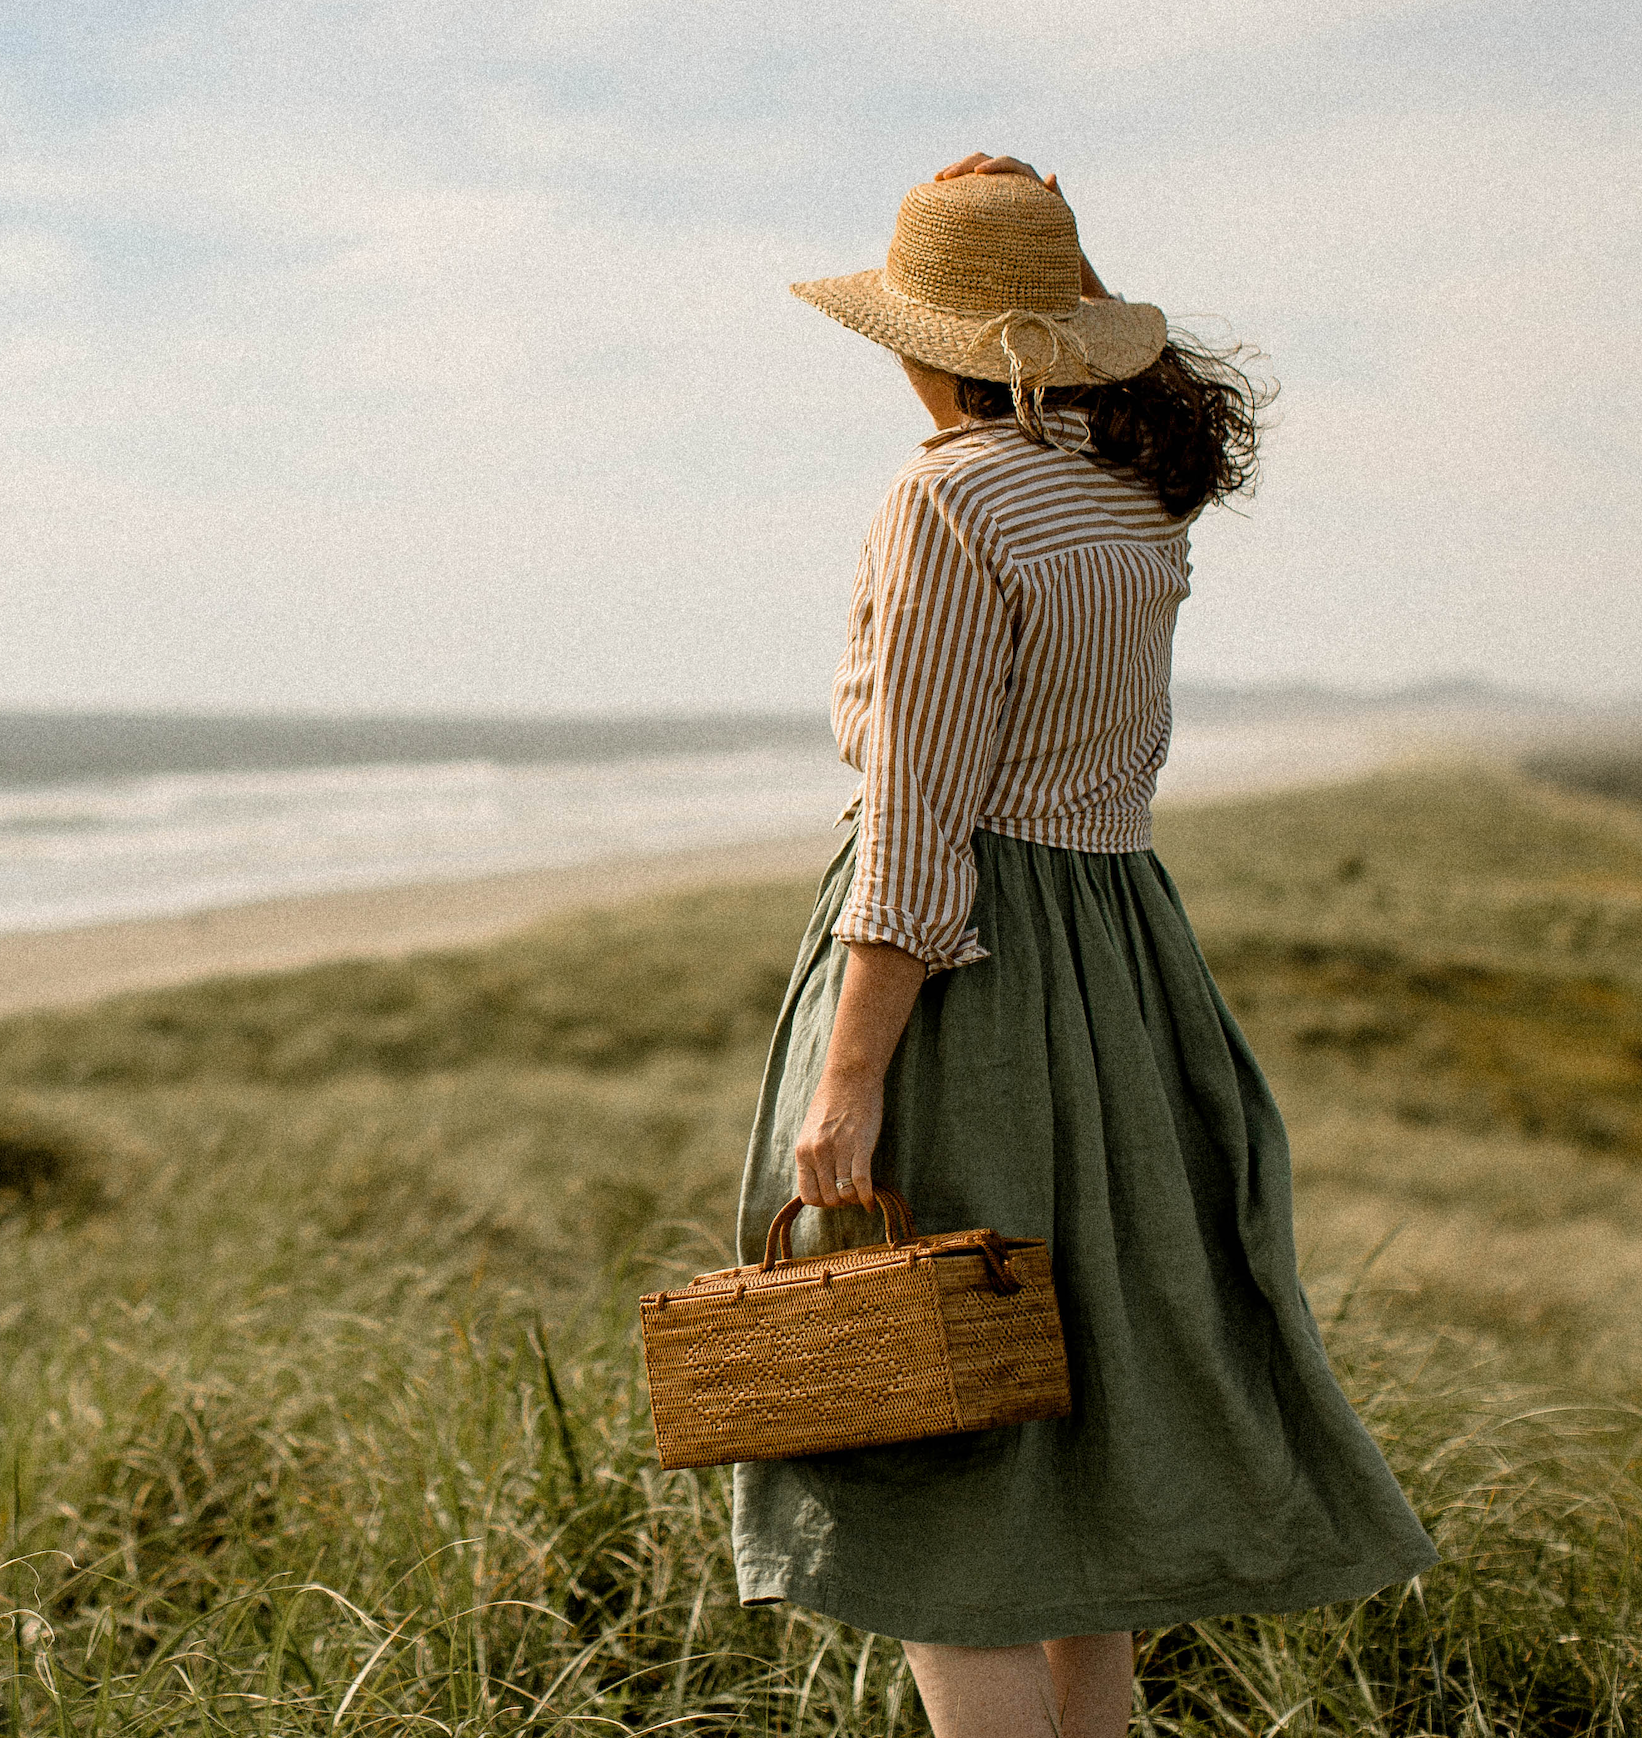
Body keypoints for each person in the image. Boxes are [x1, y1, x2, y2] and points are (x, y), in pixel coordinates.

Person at [731, 153, 1437, 1738]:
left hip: (971, 983)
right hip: (1120, 967)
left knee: (931, 1439)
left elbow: (919, 823)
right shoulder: (1131, 498)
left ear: (927, 339)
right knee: (1076, 1415)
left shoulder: (944, 494)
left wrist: (846, 1086)